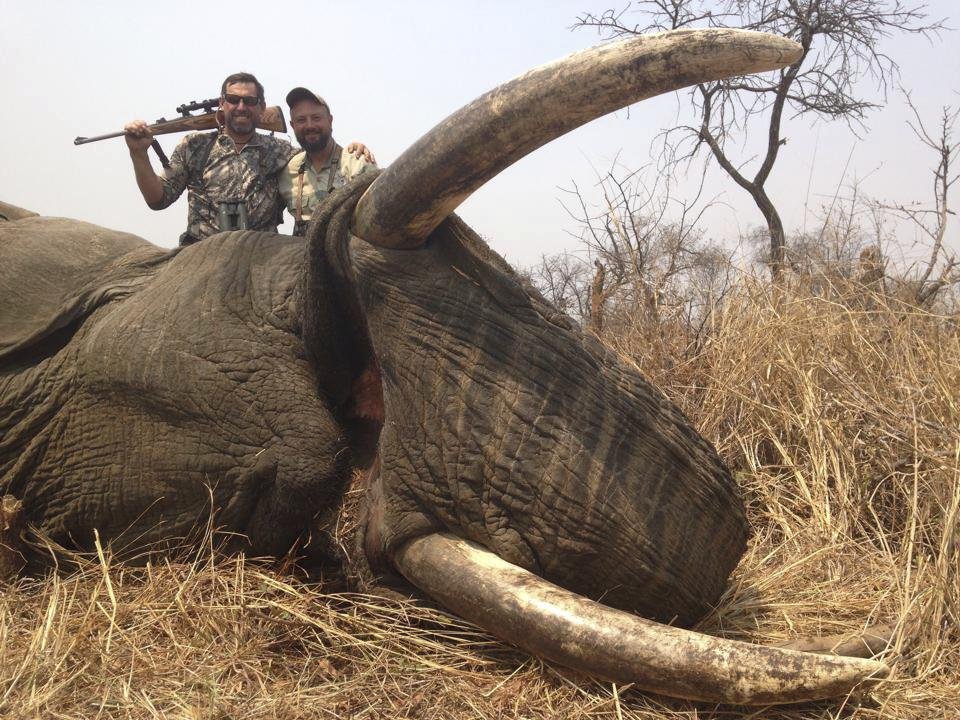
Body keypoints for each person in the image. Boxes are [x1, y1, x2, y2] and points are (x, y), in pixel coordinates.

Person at [124, 72, 295, 245]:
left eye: (249, 101)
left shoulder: (281, 151)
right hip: (200, 259)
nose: (241, 107)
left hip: (261, 258)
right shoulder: (194, 145)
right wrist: (138, 154)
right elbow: (158, 199)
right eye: (233, 99)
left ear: (262, 107)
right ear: (222, 103)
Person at [280, 88, 377, 236]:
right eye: (301, 120)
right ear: (293, 126)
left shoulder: (355, 163)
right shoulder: (288, 170)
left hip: (349, 256)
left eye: (316, 118)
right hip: (302, 256)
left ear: (330, 121)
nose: (310, 125)